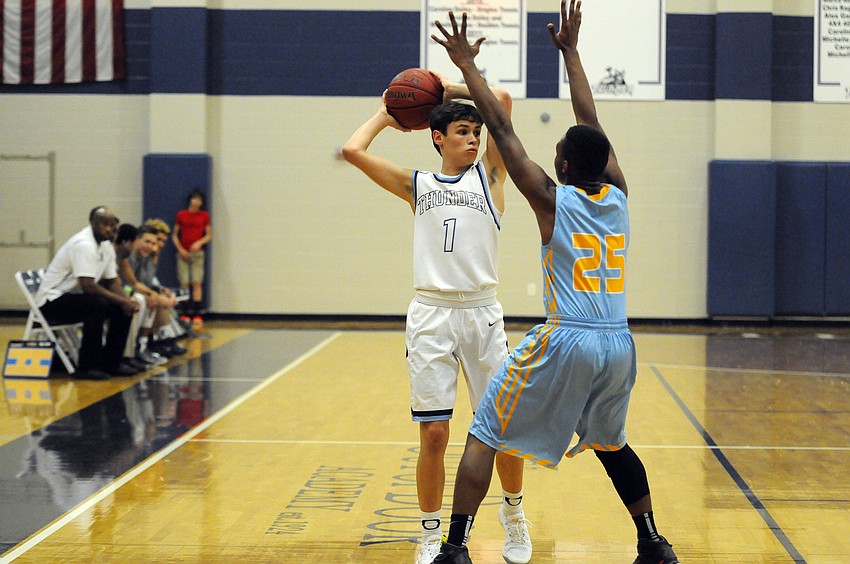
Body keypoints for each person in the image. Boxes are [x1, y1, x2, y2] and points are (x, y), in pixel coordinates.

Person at [430, 3, 679, 563]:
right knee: (611, 442)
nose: (556, 156)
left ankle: (455, 547)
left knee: (486, 431)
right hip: (619, 343)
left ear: (562, 167)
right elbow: (592, 127)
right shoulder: (618, 195)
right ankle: (653, 541)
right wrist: (571, 54)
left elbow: (500, 128)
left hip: (569, 336)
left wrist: (467, 66)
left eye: (559, 154)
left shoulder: (551, 201)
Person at [342, 76, 532, 564]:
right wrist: (389, 114)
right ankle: (431, 533)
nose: (473, 138)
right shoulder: (417, 184)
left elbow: (503, 102)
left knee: (501, 429)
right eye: (463, 131)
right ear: (437, 137)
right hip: (431, 314)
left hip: (482, 314)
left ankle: (514, 517)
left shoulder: (490, 176)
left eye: (476, 130)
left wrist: (441, 86)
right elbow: (352, 149)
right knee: (435, 434)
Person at [35, 206, 140, 380]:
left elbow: (112, 281)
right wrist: (122, 301)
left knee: (121, 308)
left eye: (112, 224)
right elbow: (89, 287)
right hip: (51, 301)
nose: (109, 228)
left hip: (74, 297)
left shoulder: (106, 245)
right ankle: (87, 367)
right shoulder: (84, 244)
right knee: (97, 305)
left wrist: (126, 301)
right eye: (104, 224)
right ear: (93, 223)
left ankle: (112, 363)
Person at [172, 189, 211, 329]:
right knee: (184, 283)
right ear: (190, 200)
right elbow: (175, 235)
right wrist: (180, 249)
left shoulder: (204, 215)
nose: (197, 202)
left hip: (197, 254)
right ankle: (185, 313)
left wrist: (199, 243)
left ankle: (197, 314)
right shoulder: (181, 215)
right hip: (183, 253)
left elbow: (208, 235)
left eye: (199, 200)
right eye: (195, 198)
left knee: (196, 282)